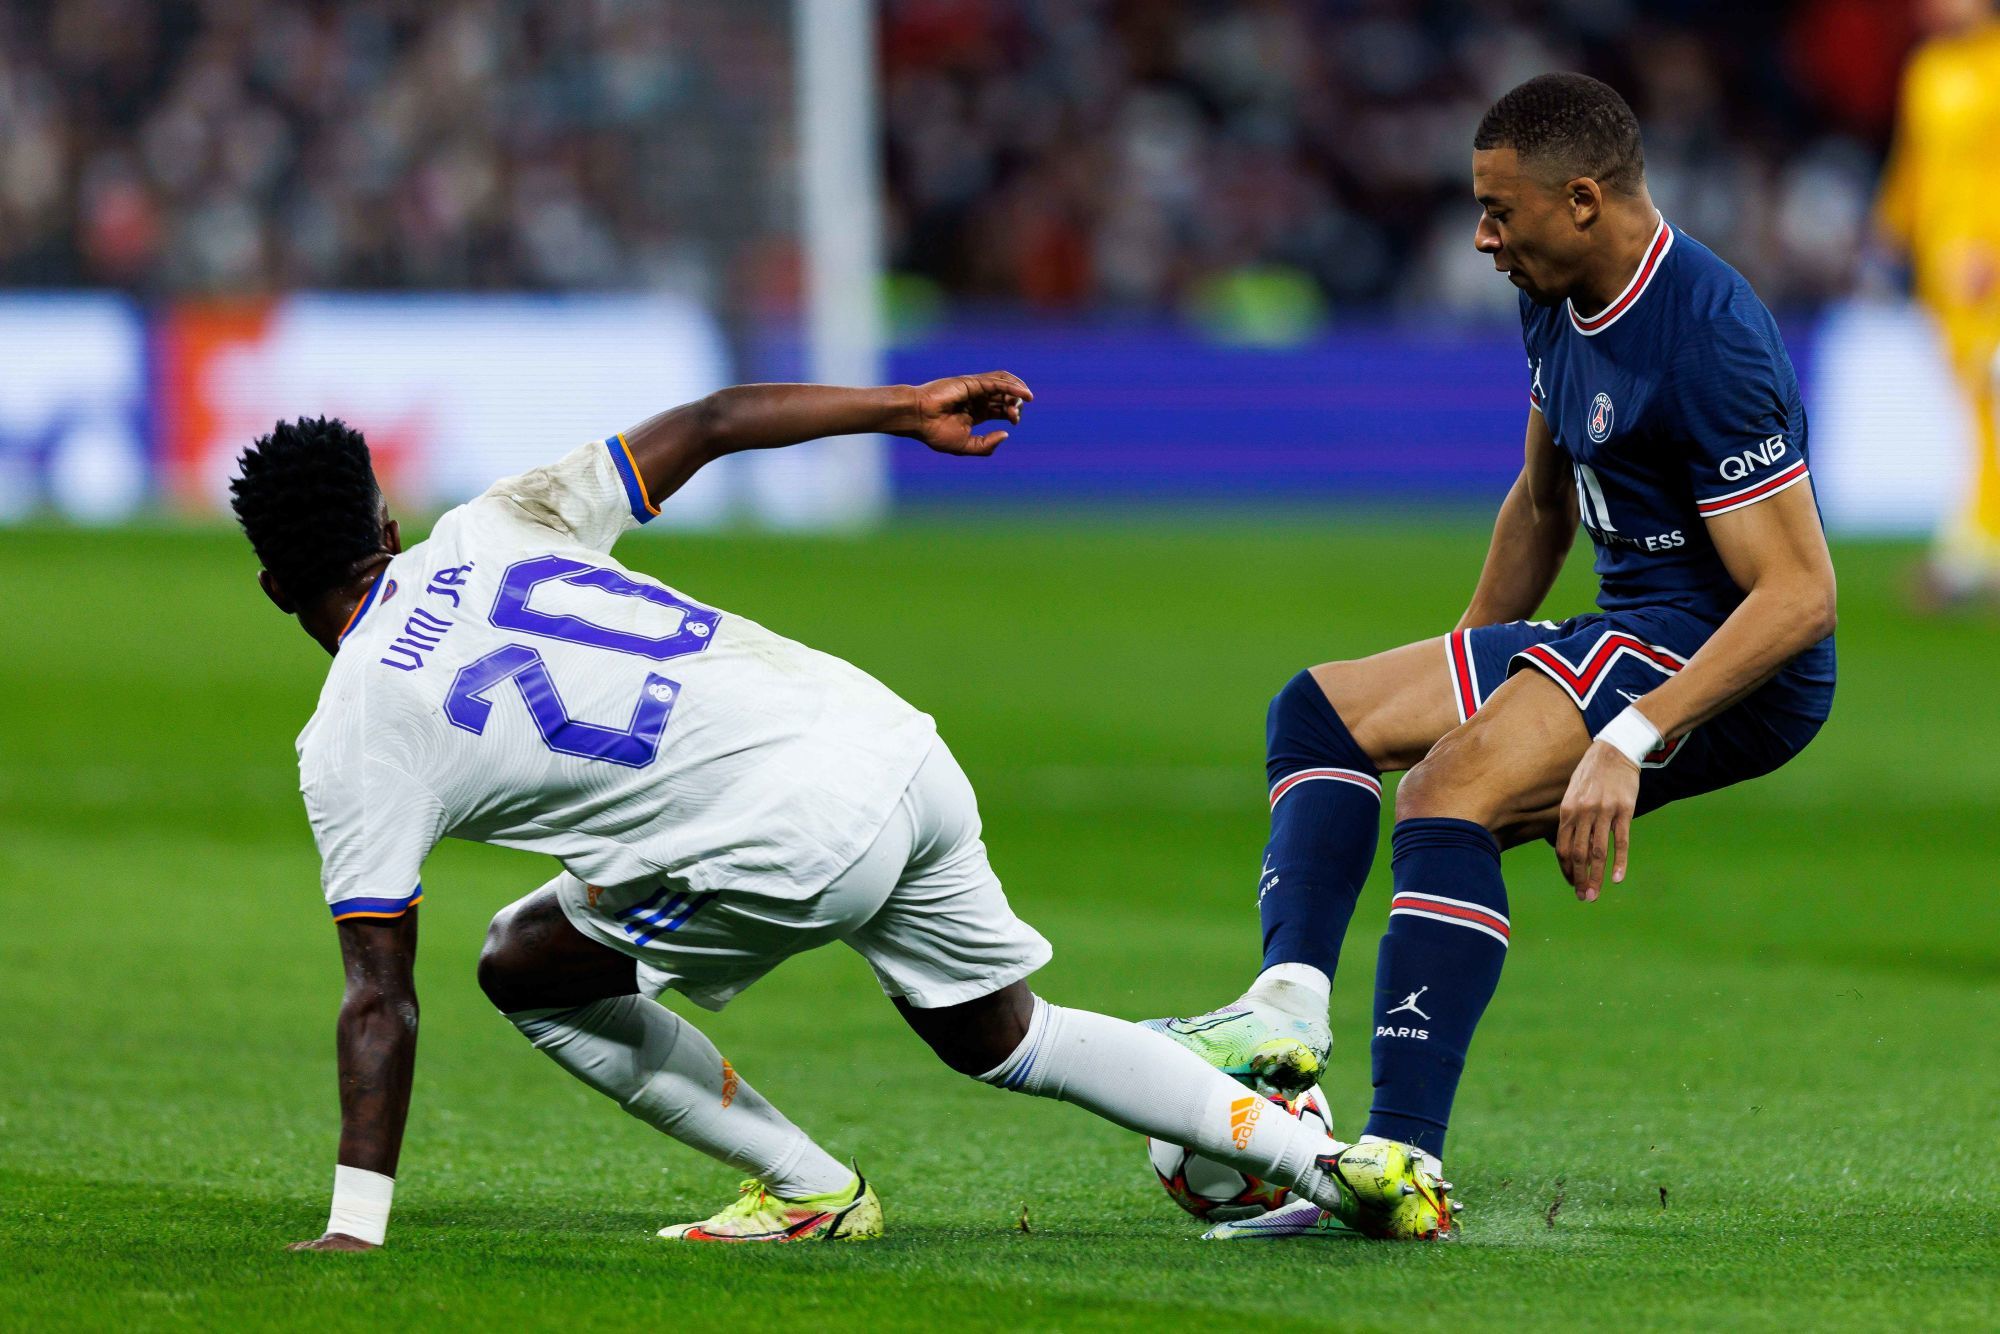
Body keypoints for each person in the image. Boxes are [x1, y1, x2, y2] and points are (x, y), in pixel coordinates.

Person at [230, 374, 1451, 1250]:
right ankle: (1331, 1163)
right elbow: (712, 422)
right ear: (387, 523)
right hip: (892, 742)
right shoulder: (498, 520)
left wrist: (354, 1224)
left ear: (277, 586)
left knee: (523, 965)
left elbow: (378, 993)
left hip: (788, 833)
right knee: (1004, 1034)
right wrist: (904, 408)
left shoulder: (351, 734)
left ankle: (807, 1187)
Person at [1150, 73, 1837, 1240]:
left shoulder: (1710, 335)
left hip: (1724, 656)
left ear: (1581, 200)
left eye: (1496, 210)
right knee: (1317, 712)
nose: (1480, 236)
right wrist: (1466, 665)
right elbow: (1539, 501)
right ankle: (1283, 1013)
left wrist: (1629, 736)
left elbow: (1799, 595)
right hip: (1620, 627)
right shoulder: (1550, 292)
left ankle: (1398, 1159)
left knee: (1444, 791)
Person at [1875, 0, 2000, 607]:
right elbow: (1913, 162)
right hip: (1941, 266)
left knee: (1990, 396)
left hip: (1986, 265)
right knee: (1973, 401)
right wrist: (1889, 230)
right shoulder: (1926, 68)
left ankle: (1974, 547)